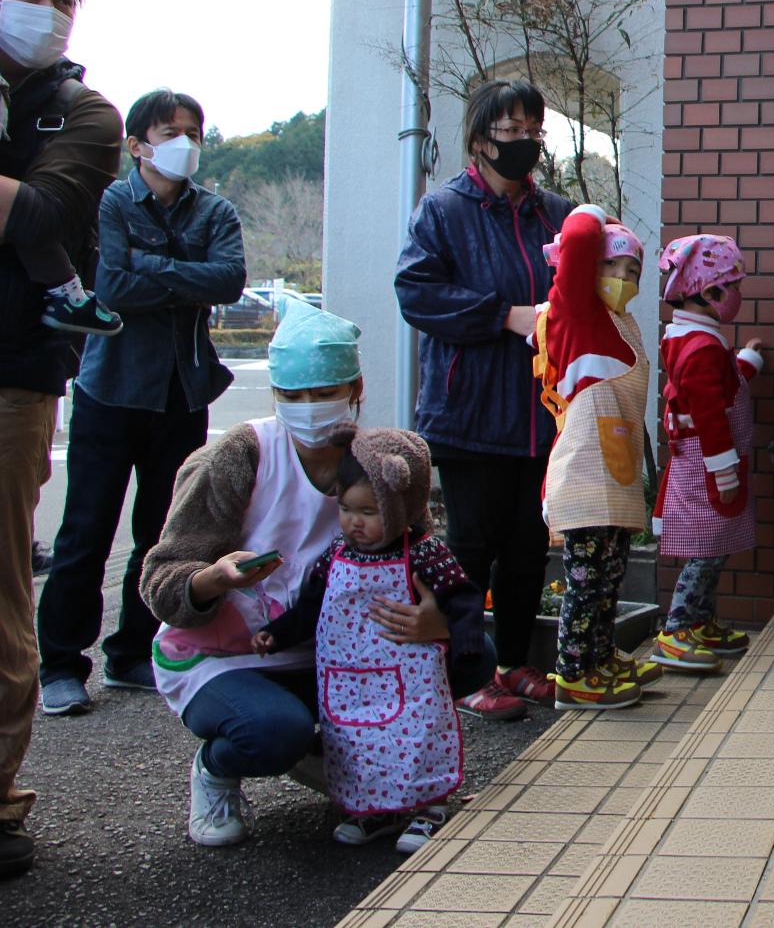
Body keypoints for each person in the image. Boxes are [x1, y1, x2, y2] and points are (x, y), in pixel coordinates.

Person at [140, 298, 494, 848]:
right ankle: (219, 767)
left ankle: (346, 753)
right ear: (275, 396)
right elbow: (161, 577)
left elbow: (419, 555)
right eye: (293, 396)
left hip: (336, 652)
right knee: (268, 731)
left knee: (475, 656)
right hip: (229, 657)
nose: (309, 408)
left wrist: (439, 622)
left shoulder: (380, 462)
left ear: (356, 388)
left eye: (325, 393)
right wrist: (213, 579)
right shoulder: (238, 456)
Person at [38, 88, 245, 717]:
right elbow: (111, 285)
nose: (185, 143)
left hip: (183, 391)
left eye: (193, 131)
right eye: (170, 131)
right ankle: (60, 664)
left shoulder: (215, 211)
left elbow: (229, 279)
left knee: (165, 532)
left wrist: (151, 270)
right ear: (137, 144)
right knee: (86, 529)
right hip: (110, 388)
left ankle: (132, 652)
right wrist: (183, 276)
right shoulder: (109, 202)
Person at [0, 0, 121, 879]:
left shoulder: (83, 115)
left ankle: (0, 799)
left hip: (16, 372)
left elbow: (46, 218)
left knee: (12, 583)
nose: (44, 9)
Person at [394, 78, 573, 719]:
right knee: (471, 545)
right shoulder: (442, 211)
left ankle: (515, 662)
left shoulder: (554, 212)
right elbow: (417, 293)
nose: (525, 142)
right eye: (512, 130)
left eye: (534, 130)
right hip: (469, 411)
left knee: (529, 544)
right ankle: (462, 672)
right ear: (479, 141)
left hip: (542, 410)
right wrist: (506, 316)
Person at [252, 426, 481, 852]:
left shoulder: (424, 553)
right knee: (361, 741)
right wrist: (275, 634)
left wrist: (463, 639)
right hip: (350, 677)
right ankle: (377, 810)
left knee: (416, 734)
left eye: (370, 511)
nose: (354, 522)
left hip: (411, 678)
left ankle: (430, 804)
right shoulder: (337, 552)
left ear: (401, 506)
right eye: (345, 508)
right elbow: (310, 607)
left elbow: (461, 597)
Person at [532, 207, 661, 709]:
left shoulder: (620, 322)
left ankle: (600, 656)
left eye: (633, 272)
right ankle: (573, 675)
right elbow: (580, 239)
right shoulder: (576, 314)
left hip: (613, 471)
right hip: (586, 474)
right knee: (586, 581)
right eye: (613, 267)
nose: (623, 280)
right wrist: (591, 214)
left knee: (609, 574)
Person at [653, 234, 763, 669]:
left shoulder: (697, 338)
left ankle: (699, 621)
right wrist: (726, 474)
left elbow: (721, 383)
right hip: (707, 465)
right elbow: (711, 416)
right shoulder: (699, 347)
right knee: (706, 547)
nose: (738, 296)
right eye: (733, 287)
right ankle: (676, 629)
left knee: (715, 545)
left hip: (707, 462)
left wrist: (747, 364)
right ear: (710, 291)